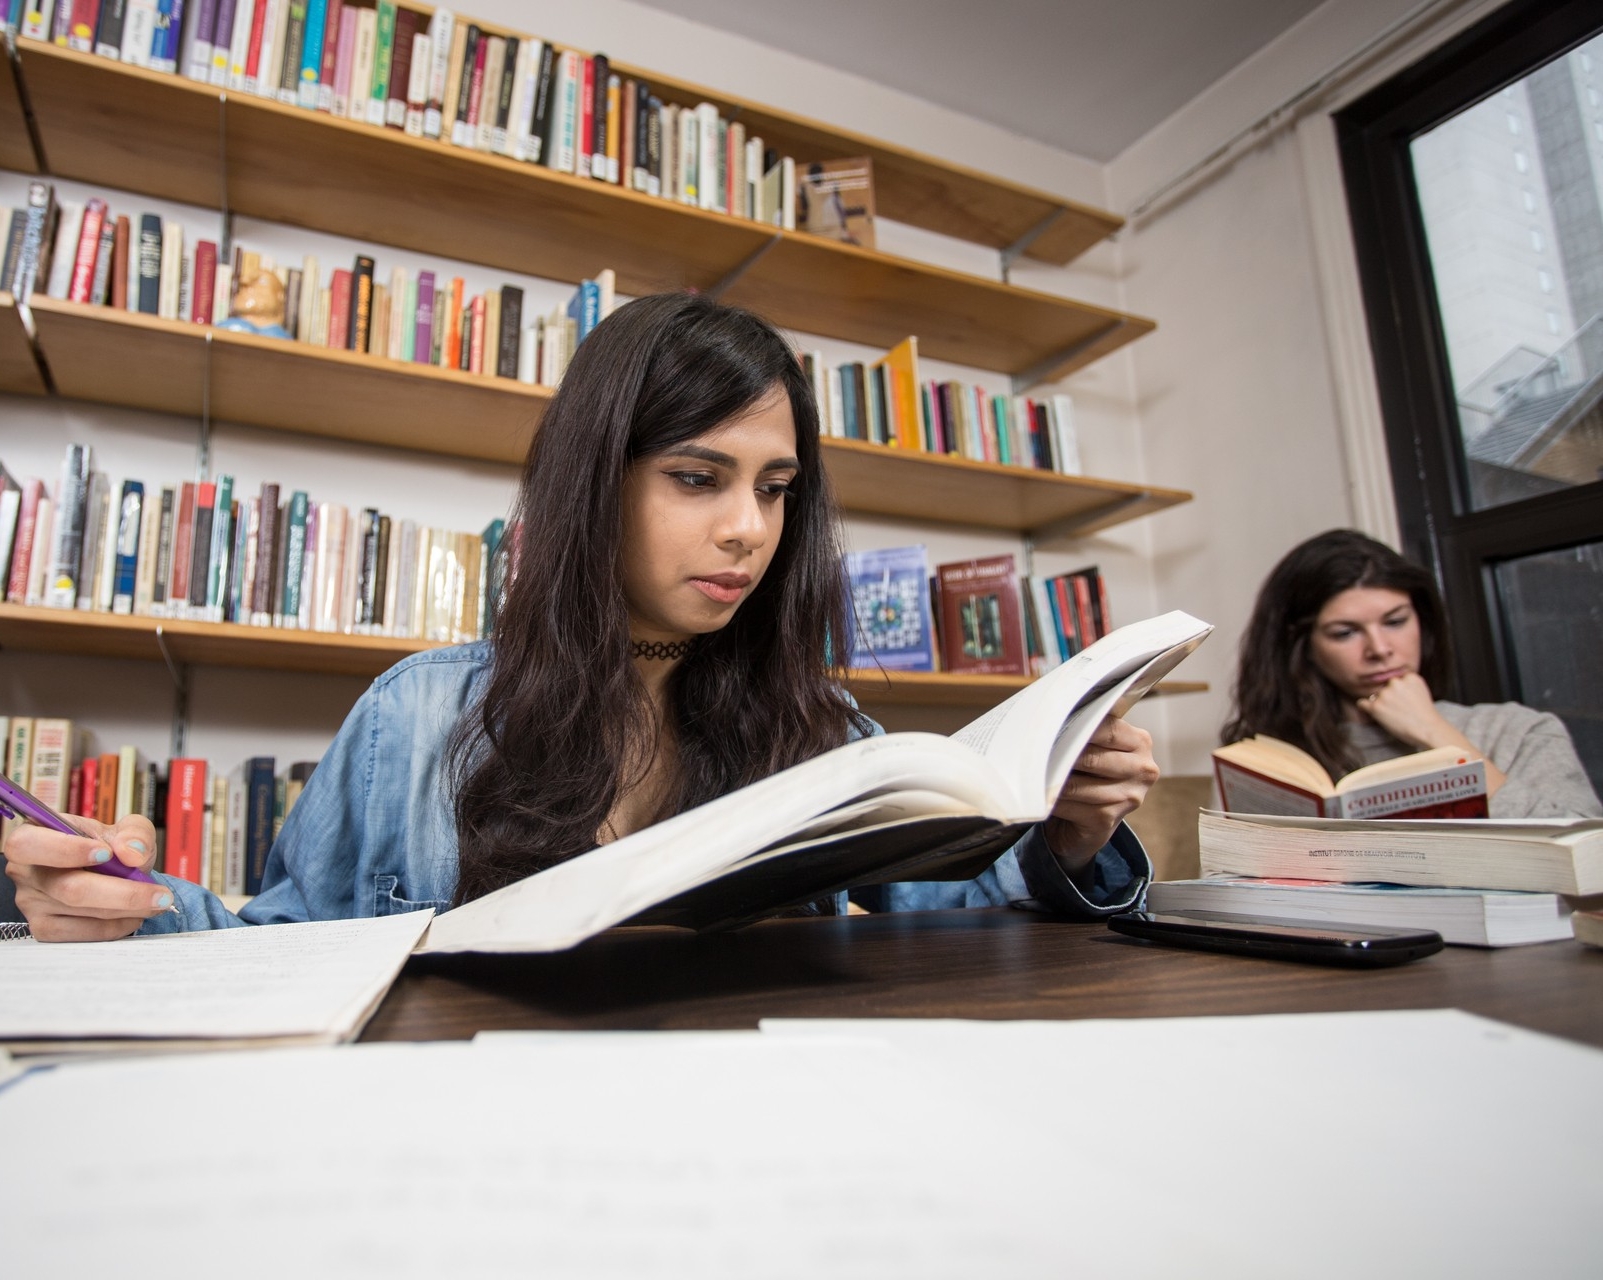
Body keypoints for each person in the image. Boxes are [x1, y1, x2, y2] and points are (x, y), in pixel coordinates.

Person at [5, 293, 1160, 943]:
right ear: (591, 482)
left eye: (775, 489)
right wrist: (123, 903)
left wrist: (1064, 837)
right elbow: (283, 942)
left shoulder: (829, 731)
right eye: (699, 479)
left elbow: (971, 915)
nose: (749, 530)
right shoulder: (417, 714)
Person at [1223, 528, 1600, 820]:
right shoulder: (1268, 761)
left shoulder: (1516, 731)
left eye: (1395, 621)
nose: (1380, 649)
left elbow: (1590, 863)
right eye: (1345, 633)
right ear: (1302, 647)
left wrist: (1434, 733)